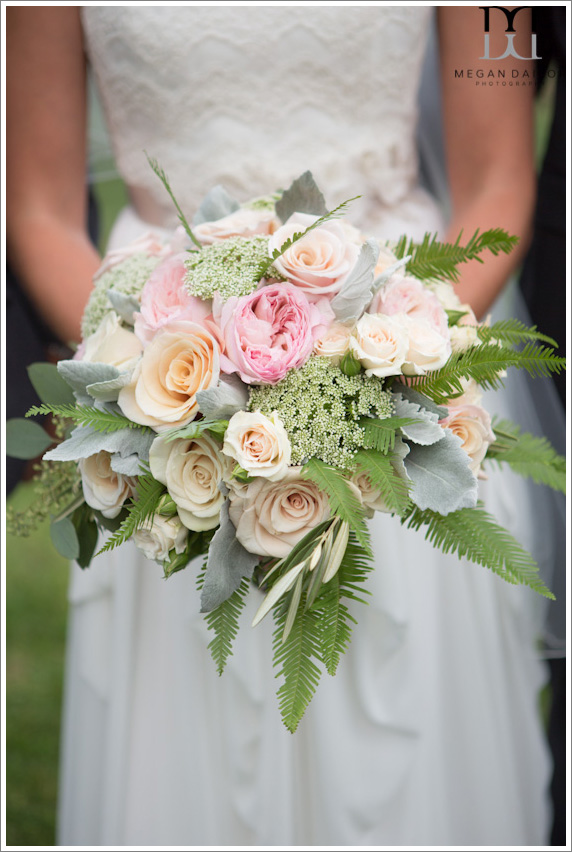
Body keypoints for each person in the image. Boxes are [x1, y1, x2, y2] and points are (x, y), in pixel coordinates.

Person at [7, 6, 556, 845]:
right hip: (164, 354)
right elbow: (38, 205)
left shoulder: (395, 349)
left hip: (395, 332)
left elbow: (498, 184)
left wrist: (385, 361)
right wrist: (149, 369)